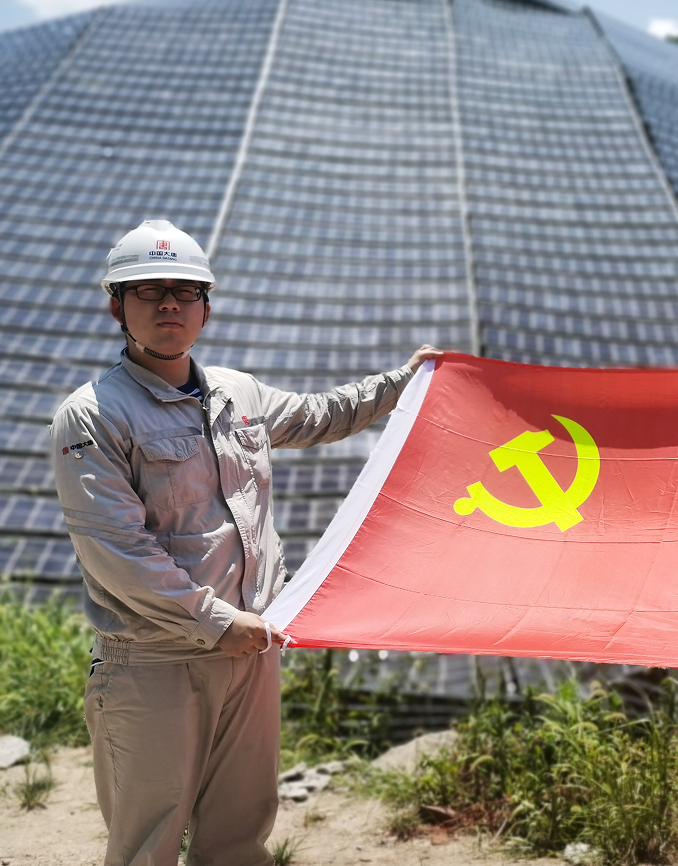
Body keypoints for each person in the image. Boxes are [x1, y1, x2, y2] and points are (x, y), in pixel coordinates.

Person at [49, 219, 442, 866]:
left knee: (238, 837)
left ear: (206, 306)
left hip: (250, 654)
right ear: (117, 307)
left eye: (185, 291)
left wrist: (404, 383)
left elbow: (321, 415)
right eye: (148, 291)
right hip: (157, 660)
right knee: (147, 842)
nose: (170, 304)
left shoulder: (239, 394)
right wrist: (217, 621)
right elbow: (117, 552)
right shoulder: (92, 415)